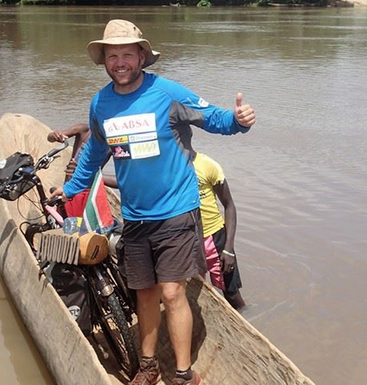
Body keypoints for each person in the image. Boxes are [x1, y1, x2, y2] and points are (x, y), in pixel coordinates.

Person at [50, 19, 256, 385]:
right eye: (112, 56)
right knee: (144, 293)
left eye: (127, 54)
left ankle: (181, 373)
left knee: (173, 292)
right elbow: (95, 155)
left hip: (176, 212)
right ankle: (147, 367)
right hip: (135, 216)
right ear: (104, 61)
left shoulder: (167, 93)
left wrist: (238, 120)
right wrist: (67, 191)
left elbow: (214, 119)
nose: (120, 62)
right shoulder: (101, 104)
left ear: (142, 56)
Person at [192, 150, 246, 310]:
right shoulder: (168, 166)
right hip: (187, 240)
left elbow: (229, 205)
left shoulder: (207, 165)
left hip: (215, 237)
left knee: (231, 294)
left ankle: (245, 324)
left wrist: (228, 249)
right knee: (192, 292)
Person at [47, 123, 113, 216]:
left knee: (83, 226)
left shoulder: (111, 143)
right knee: (64, 221)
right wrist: (55, 135)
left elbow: (123, 177)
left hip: (88, 194)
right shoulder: (84, 130)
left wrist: (89, 176)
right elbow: (49, 138)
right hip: (68, 189)